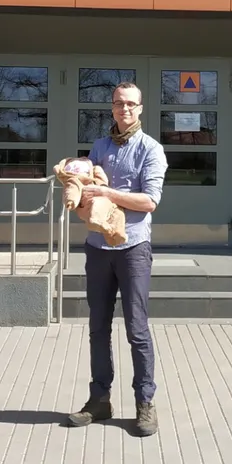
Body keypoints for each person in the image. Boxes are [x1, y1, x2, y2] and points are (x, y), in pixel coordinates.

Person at [65, 81, 168, 437]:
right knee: (97, 328)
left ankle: (144, 403)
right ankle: (99, 401)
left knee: (137, 330)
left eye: (130, 104)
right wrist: (74, 185)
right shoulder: (100, 145)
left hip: (133, 249)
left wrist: (106, 192)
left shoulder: (151, 150)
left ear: (140, 108)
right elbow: (84, 181)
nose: (124, 109)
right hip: (97, 248)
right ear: (111, 108)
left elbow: (150, 201)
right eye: (118, 104)